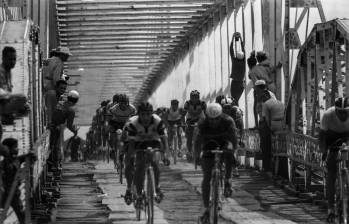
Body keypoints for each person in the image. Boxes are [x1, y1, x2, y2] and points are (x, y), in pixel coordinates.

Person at [195, 103, 237, 223]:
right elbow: (197, 140)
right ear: (207, 116)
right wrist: (197, 155)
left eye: (217, 119)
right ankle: (206, 208)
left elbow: (234, 138)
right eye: (211, 119)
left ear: (221, 115)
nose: (214, 122)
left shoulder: (228, 121)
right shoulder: (202, 123)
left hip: (224, 142)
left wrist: (233, 151)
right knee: (207, 177)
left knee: (229, 152)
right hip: (209, 144)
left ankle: (228, 180)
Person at [124, 102, 169, 205]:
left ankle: (157, 187)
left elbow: (164, 140)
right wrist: (130, 156)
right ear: (138, 114)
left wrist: (165, 154)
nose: (145, 117)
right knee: (140, 166)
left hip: (154, 141)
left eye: (148, 114)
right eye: (143, 114)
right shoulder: (133, 123)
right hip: (138, 143)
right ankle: (139, 194)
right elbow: (131, 144)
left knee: (155, 162)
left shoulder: (157, 121)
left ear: (151, 114)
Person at [319, 97, 349, 222]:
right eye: (340, 112)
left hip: (347, 135)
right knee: (331, 175)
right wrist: (324, 151)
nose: (342, 115)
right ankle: (331, 208)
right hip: (331, 138)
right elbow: (321, 137)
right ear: (335, 110)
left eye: (345, 112)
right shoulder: (327, 115)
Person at [1, 138, 36, 224]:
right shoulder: (4, 164)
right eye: (15, 147)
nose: (17, 149)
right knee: (21, 215)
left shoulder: (15, 160)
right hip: (7, 193)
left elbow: (22, 158)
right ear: (7, 149)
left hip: (13, 194)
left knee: (21, 215)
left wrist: (29, 155)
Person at [49, 90, 79, 169]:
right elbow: (69, 126)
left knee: (53, 145)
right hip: (56, 127)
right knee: (57, 146)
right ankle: (55, 165)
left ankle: (53, 162)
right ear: (76, 101)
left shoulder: (60, 102)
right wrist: (74, 131)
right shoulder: (71, 111)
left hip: (49, 124)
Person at [259, 90, 284, 172]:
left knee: (266, 147)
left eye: (263, 97)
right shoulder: (280, 102)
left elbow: (266, 118)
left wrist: (270, 128)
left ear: (267, 96)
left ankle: (267, 167)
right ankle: (281, 169)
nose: (262, 99)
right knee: (280, 149)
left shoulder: (266, 104)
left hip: (272, 125)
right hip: (281, 126)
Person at [183, 90, 206, 159]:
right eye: (193, 97)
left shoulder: (203, 103)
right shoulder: (187, 103)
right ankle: (189, 151)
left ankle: (203, 149)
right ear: (190, 97)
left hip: (200, 118)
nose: (194, 99)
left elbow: (206, 113)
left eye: (196, 97)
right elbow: (184, 113)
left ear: (198, 97)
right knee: (189, 136)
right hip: (190, 119)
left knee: (203, 133)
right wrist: (184, 123)